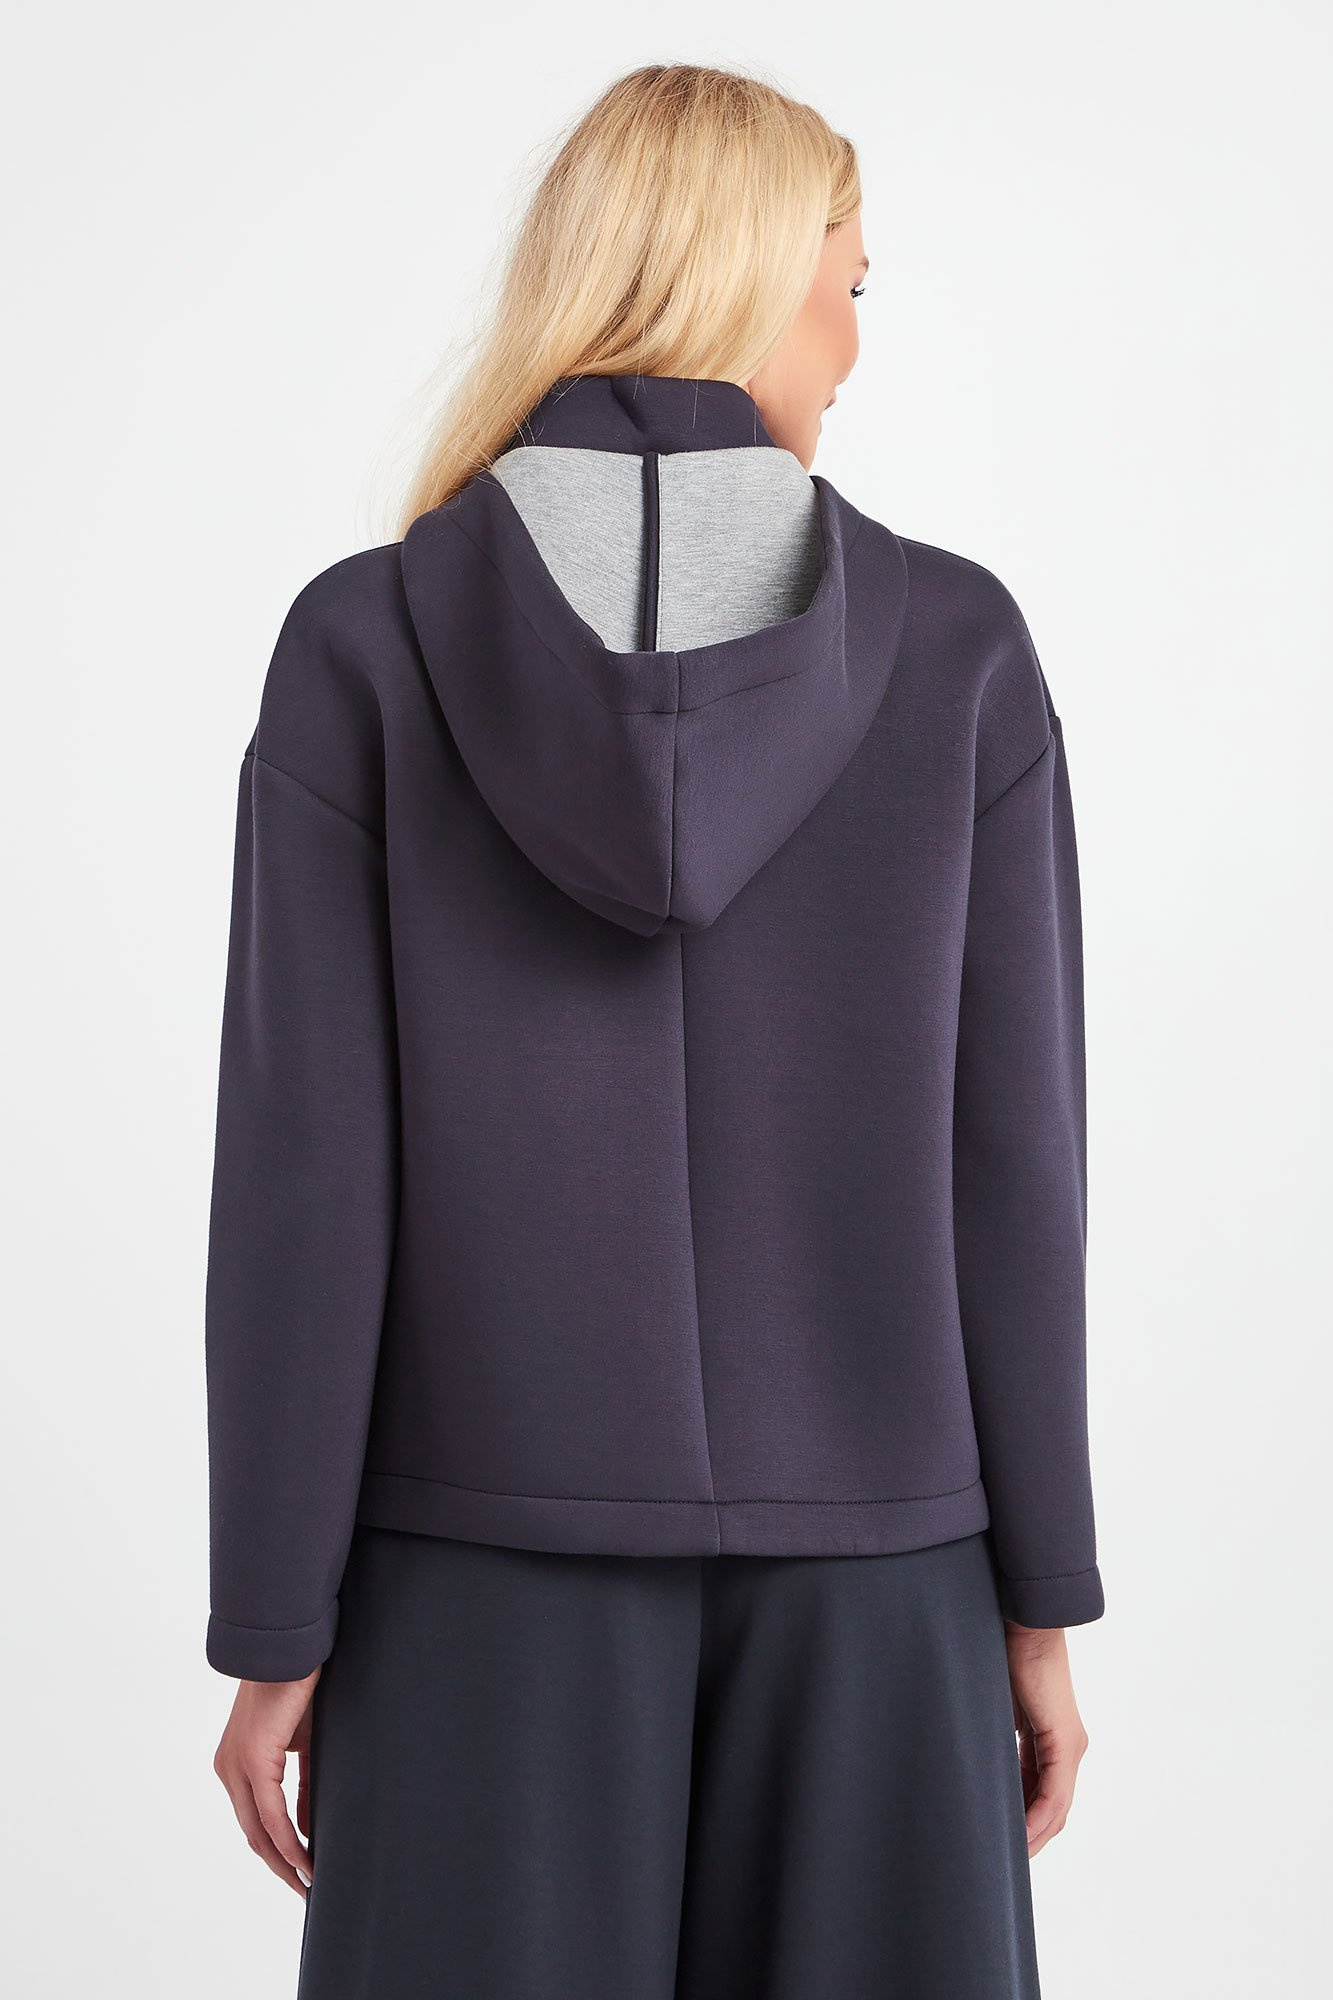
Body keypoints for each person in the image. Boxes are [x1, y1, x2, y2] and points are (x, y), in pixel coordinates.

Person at [205, 60, 1102, 2000]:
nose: (854, 344)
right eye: (847, 285)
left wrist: (275, 1620)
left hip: (469, 1576)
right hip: (883, 1576)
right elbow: (1012, 1164)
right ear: (750, 284)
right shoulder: (959, 656)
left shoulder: (363, 648)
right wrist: (1035, 1598)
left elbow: (305, 1177)